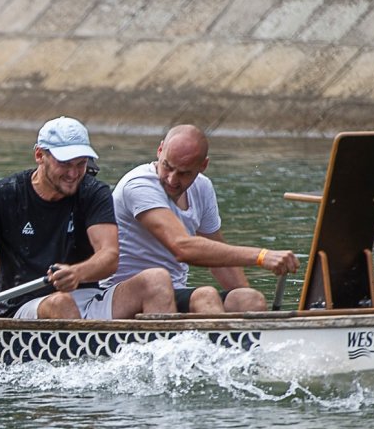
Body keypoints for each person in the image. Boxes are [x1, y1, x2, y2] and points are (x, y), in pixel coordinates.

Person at [0, 116, 176, 326]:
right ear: (39, 155)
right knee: (60, 302)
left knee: (156, 280)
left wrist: (77, 272)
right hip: (16, 307)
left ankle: (159, 362)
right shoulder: (3, 195)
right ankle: (85, 364)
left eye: (81, 164)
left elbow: (109, 256)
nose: (73, 173)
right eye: (64, 164)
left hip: (86, 299)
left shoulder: (94, 193)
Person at [104, 124, 301, 312]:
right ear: (160, 150)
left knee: (250, 300)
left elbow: (218, 255)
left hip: (172, 292)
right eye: (167, 166)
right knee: (205, 296)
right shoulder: (139, 185)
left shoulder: (203, 188)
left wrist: (246, 301)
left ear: (203, 165)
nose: (172, 179)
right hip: (121, 296)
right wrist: (261, 256)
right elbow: (182, 247)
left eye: (184, 173)